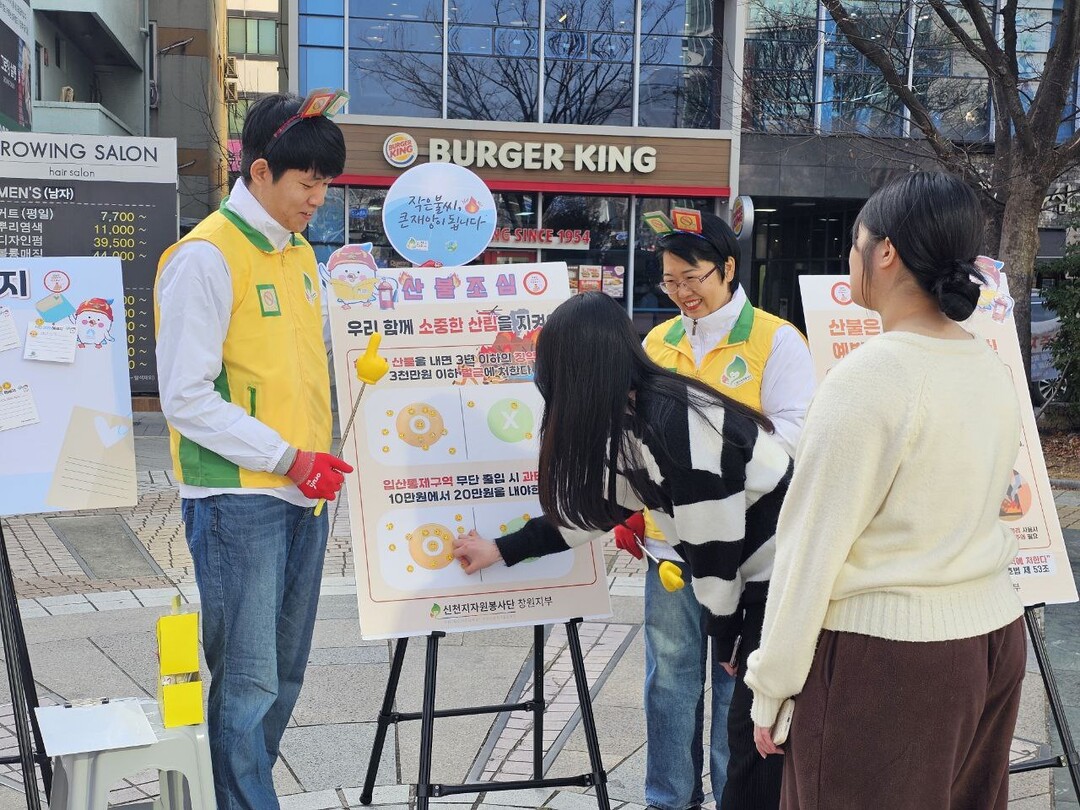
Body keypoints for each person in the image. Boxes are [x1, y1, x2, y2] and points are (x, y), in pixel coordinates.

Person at [746, 172, 1026, 810]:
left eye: (855, 240)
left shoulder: (869, 377)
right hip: (990, 639)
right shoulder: (986, 367)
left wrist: (772, 689)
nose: (850, 255)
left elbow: (810, 547)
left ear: (887, 252)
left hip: (888, 661)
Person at [452, 291, 792, 808]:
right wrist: (501, 548)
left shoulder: (678, 423)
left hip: (779, 578)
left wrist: (727, 636)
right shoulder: (638, 416)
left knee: (756, 745)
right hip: (752, 580)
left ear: (580, 370)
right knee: (753, 737)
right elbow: (597, 509)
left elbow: (715, 547)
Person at [154, 92, 351, 810]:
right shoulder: (206, 256)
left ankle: (243, 794)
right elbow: (184, 395)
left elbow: (319, 358)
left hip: (302, 496)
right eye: (307, 183)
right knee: (247, 679)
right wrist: (288, 456)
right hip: (239, 500)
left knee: (285, 673)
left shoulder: (300, 255)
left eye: (326, 184)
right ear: (261, 171)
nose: (318, 199)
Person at [619, 212, 814, 810]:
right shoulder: (658, 342)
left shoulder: (777, 340)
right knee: (669, 679)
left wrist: (710, 454)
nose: (681, 293)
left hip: (748, 556)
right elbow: (634, 433)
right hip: (672, 550)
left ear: (728, 268)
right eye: (669, 281)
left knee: (739, 683)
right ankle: (668, 799)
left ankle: (737, 796)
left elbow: (794, 442)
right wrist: (634, 506)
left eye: (692, 277)